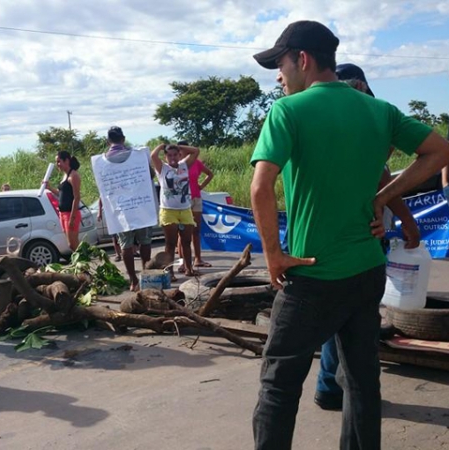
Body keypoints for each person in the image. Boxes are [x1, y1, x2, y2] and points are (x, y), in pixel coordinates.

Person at [250, 20, 449, 449]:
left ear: (303, 59)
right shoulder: (378, 110)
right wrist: (385, 198)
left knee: (278, 385)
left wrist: (274, 255)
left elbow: (261, 186)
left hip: (312, 276)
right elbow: (439, 151)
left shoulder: (288, 111)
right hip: (366, 271)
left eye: (280, 65)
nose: (279, 76)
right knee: (362, 382)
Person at [314, 63, 422, 411]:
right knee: (351, 319)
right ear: (358, 87)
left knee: (339, 314)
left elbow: (382, 174)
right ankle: (339, 387)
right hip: (359, 237)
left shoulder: (326, 123)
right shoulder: (359, 122)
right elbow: (381, 178)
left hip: (335, 235)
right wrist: (407, 220)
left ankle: (331, 385)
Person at [97, 126, 153, 291]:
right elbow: (150, 174)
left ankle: (133, 280)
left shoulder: (103, 162)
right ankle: (146, 275)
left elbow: (103, 188)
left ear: (108, 141)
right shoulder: (137, 156)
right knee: (145, 241)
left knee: (126, 245)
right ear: (123, 138)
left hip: (121, 209)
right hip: (140, 205)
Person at [151, 142, 200, 279]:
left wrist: (180, 147)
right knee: (171, 243)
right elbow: (153, 155)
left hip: (185, 209)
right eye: (169, 155)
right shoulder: (162, 168)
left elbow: (196, 151)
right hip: (168, 210)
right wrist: (162, 146)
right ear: (166, 156)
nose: (172, 158)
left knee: (186, 242)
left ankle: (189, 268)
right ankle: (170, 271)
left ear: (179, 155)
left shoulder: (184, 165)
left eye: (175, 155)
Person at [175, 140, 214, 272]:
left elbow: (210, 174)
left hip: (196, 197)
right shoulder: (177, 164)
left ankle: (198, 258)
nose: (183, 153)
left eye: (185, 150)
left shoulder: (196, 162)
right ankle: (182, 262)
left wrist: (201, 186)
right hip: (183, 199)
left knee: (196, 230)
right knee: (182, 233)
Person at [46, 151, 81, 252]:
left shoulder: (73, 175)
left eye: (59, 161)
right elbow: (61, 194)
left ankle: (84, 263)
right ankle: (80, 265)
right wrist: (50, 188)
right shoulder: (65, 176)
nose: (58, 164)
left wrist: (72, 217)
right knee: (71, 245)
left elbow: (77, 197)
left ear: (67, 160)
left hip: (71, 213)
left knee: (73, 244)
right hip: (63, 214)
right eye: (56, 162)